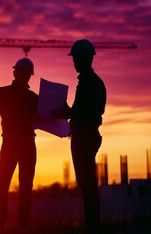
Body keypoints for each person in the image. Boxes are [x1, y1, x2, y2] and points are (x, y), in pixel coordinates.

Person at [52, 39, 107, 234]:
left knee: (87, 183)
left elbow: (80, 113)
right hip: (89, 134)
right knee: (88, 182)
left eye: (75, 59)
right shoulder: (95, 82)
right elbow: (90, 111)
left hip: (84, 136)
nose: (73, 62)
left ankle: (92, 225)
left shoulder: (87, 83)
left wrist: (63, 112)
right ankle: (92, 224)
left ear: (84, 59)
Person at [0, 58, 39, 233]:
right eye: (21, 73)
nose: (23, 76)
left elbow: (44, 118)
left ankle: (20, 225)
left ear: (28, 76)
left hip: (24, 144)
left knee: (22, 185)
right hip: (13, 143)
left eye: (26, 74)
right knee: (4, 184)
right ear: (15, 74)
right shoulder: (3, 93)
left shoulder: (33, 98)